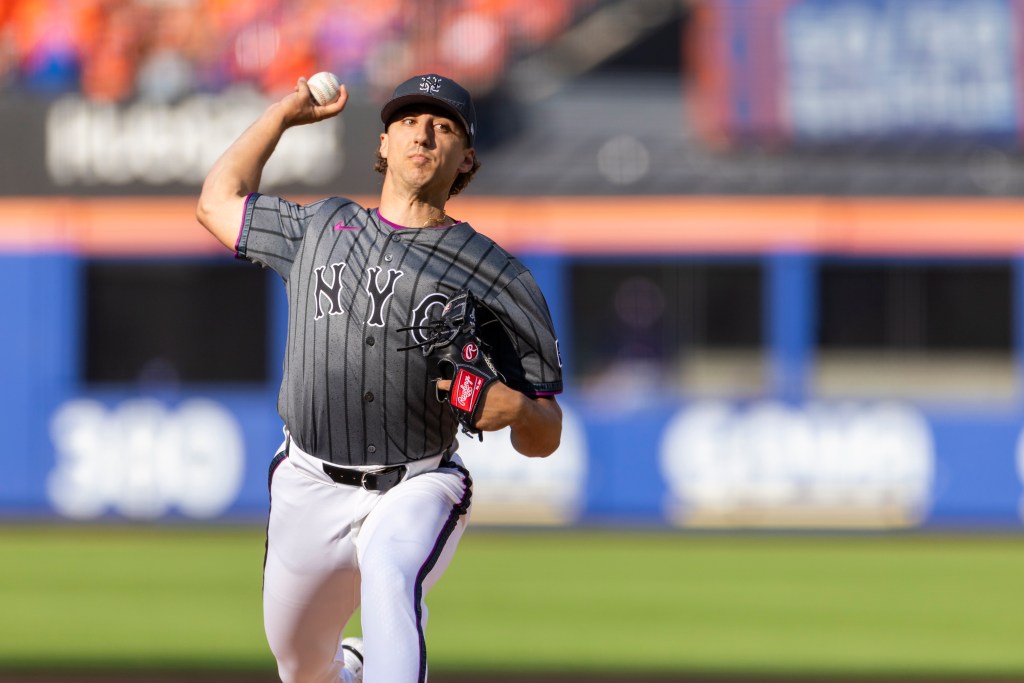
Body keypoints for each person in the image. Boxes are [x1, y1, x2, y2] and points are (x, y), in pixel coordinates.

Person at [196, 73, 564, 683]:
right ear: (384, 144)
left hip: (417, 482)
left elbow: (546, 432)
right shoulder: (320, 227)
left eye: (443, 126)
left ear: (466, 158)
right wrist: (281, 116)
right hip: (308, 481)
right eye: (408, 121)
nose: (423, 134)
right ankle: (355, 666)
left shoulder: (500, 277)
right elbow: (215, 202)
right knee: (301, 667)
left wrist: (523, 412)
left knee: (390, 573)